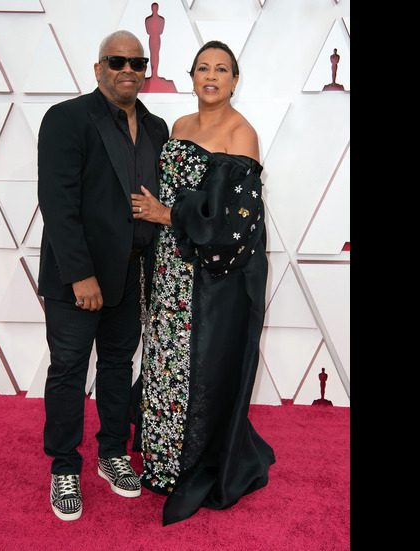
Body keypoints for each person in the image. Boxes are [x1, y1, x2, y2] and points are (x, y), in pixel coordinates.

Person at [131, 40, 276, 526]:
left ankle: (192, 463)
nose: (211, 76)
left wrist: (168, 215)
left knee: (203, 364)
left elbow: (235, 221)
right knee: (163, 359)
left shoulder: (242, 133)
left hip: (214, 276)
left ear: (235, 81)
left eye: (221, 69)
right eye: (203, 68)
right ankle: (160, 460)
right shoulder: (179, 126)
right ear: (191, 76)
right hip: (169, 267)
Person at [36, 30, 169, 522]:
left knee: (117, 366)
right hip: (79, 277)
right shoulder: (67, 118)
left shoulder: (156, 128)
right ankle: (64, 466)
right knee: (69, 369)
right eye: (117, 61)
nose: (128, 69)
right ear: (98, 69)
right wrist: (80, 276)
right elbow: (57, 203)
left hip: (131, 273)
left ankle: (113, 452)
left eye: (137, 62)